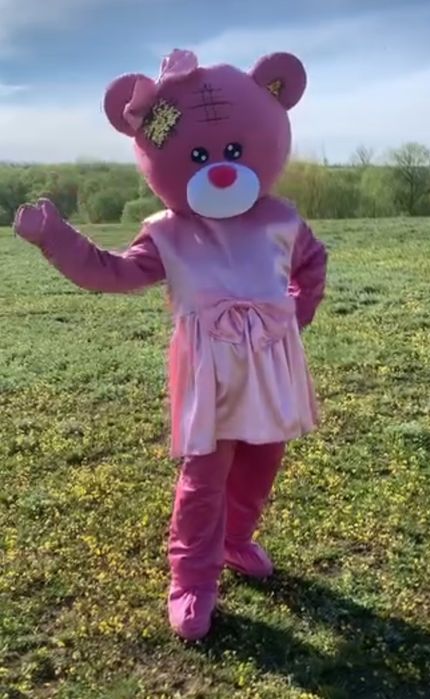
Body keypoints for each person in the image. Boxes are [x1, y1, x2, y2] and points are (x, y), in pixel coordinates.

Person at [13, 49, 327, 641]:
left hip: (270, 363)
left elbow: (311, 264)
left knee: (264, 458)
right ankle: (192, 578)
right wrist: (56, 238)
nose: (221, 170)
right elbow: (112, 272)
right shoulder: (169, 233)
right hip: (209, 369)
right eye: (201, 157)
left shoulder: (282, 220)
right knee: (205, 476)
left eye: (233, 152)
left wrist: (293, 314)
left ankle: (235, 539)